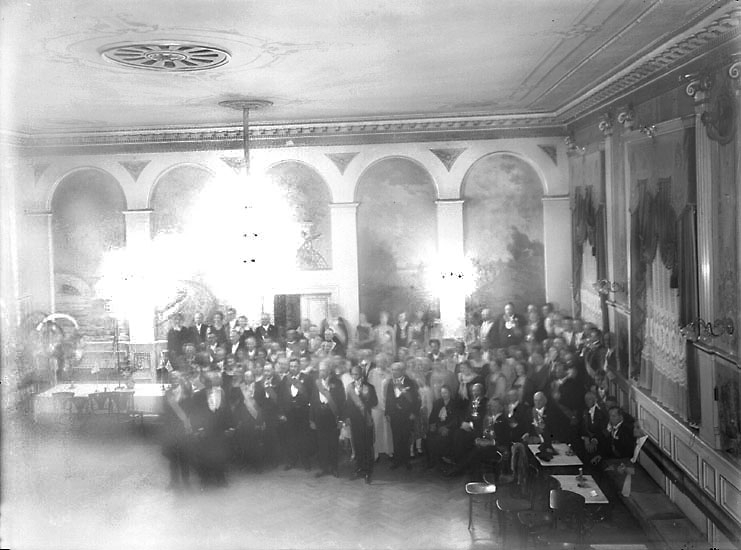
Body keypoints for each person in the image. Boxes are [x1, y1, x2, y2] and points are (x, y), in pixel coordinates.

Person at [190, 371, 234, 487]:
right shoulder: (198, 395)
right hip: (205, 430)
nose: (211, 383)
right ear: (205, 382)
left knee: (220, 454)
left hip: (219, 430)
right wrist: (198, 428)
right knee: (205, 454)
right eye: (208, 381)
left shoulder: (222, 393)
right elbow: (194, 414)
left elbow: (227, 411)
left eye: (214, 380)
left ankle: (221, 478)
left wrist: (230, 426)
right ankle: (205, 479)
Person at [310, 360, 346, 477]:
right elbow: (312, 401)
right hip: (319, 417)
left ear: (329, 371)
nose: (321, 372)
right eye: (320, 370)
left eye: (323, 370)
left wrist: (341, 419)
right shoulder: (316, 383)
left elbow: (341, 402)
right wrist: (312, 419)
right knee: (322, 444)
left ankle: (334, 468)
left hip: (332, 417)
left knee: (333, 444)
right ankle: (324, 468)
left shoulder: (337, 383)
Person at [345, 363, 378, 483]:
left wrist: (365, 399)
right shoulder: (349, 387)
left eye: (357, 374)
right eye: (353, 374)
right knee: (357, 445)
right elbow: (348, 404)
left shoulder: (369, 387)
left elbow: (375, 402)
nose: (355, 376)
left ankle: (368, 471)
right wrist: (347, 417)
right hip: (354, 421)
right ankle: (359, 469)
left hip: (366, 419)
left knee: (367, 446)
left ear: (361, 374)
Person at [278, 357, 312, 470]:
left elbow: (311, 395)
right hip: (289, 412)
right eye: (291, 366)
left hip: (303, 412)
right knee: (290, 437)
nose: (293, 368)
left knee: (304, 437)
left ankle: (305, 461)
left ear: (299, 367)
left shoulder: (307, 378)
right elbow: (280, 397)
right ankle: (292, 460)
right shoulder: (285, 379)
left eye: (295, 366)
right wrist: (281, 413)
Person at [161, 370, 193, 490]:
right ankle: (174, 481)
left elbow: (190, 410)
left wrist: (189, 425)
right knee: (173, 458)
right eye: (171, 378)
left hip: (184, 428)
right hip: (171, 429)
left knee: (185, 457)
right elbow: (165, 412)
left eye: (176, 378)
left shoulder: (186, 392)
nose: (173, 380)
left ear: (180, 379)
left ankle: (186, 481)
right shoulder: (167, 393)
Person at [385, 362, 420, 470]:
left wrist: (414, 413)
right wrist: (387, 413)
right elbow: (388, 399)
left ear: (402, 371)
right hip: (394, 415)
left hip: (407, 415)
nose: (394, 372)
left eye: (396, 369)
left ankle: (406, 460)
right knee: (396, 437)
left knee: (405, 437)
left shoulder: (410, 382)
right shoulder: (390, 383)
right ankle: (397, 460)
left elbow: (416, 399)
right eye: (392, 370)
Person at [426, 385, 459, 469]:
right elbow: (433, 415)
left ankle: (444, 459)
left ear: (450, 393)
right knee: (430, 437)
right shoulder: (437, 402)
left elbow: (456, 419)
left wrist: (447, 427)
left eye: (445, 392)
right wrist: (432, 425)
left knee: (443, 437)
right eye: (442, 393)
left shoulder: (454, 403)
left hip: (450, 426)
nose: (444, 394)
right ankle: (432, 460)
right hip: (438, 425)